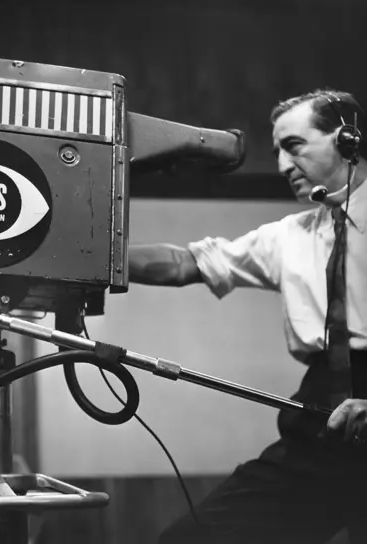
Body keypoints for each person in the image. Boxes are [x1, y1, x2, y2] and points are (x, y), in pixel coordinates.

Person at [127, 89, 367, 544]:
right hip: (320, 420)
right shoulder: (289, 237)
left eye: (293, 146)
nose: (281, 166)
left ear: (347, 139)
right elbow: (185, 264)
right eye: (277, 151)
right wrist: (91, 257)